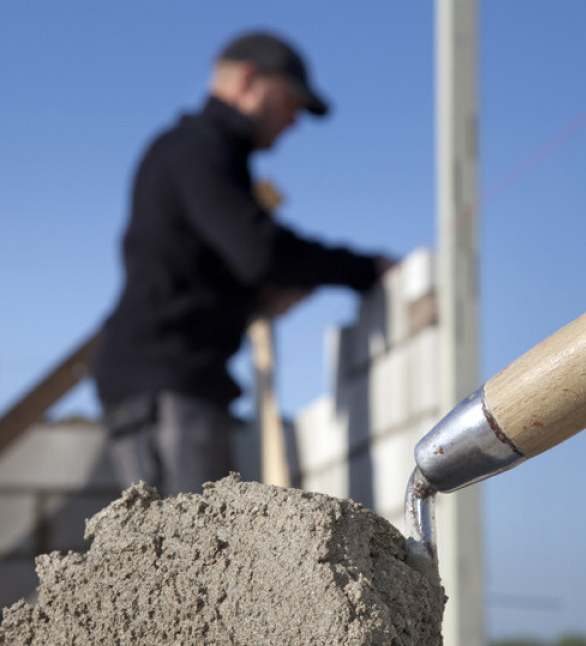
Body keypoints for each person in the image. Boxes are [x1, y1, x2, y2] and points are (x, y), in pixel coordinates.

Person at [93, 30, 392, 497]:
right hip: (166, 385)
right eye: (291, 101)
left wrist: (255, 297)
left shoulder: (199, 151)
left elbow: (201, 268)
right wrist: (365, 270)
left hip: (163, 381)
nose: (293, 121)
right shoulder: (199, 148)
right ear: (250, 79)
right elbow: (261, 251)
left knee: (188, 555)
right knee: (197, 556)